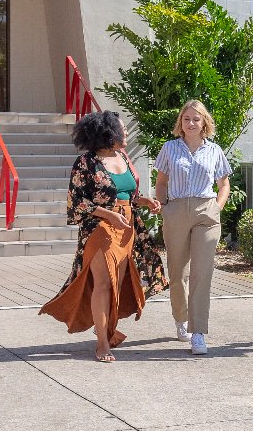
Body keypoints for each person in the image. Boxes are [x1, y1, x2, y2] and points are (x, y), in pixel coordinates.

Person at [40, 111, 169, 362]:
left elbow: (127, 194)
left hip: (127, 225)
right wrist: (108, 215)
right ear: (108, 133)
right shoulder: (86, 162)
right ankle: (101, 344)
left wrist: (145, 201)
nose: (127, 132)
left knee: (116, 284)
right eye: (123, 129)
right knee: (103, 284)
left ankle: (108, 332)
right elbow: (76, 201)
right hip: (100, 229)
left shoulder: (123, 156)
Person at [154, 100, 233, 355]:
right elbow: (161, 182)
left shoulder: (214, 150)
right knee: (178, 273)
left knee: (202, 273)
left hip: (205, 211)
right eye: (186, 119)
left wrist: (217, 208)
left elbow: (224, 185)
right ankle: (182, 319)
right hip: (176, 209)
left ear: (204, 123)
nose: (191, 123)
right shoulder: (169, 148)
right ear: (181, 122)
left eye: (196, 119)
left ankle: (198, 332)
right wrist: (164, 206)